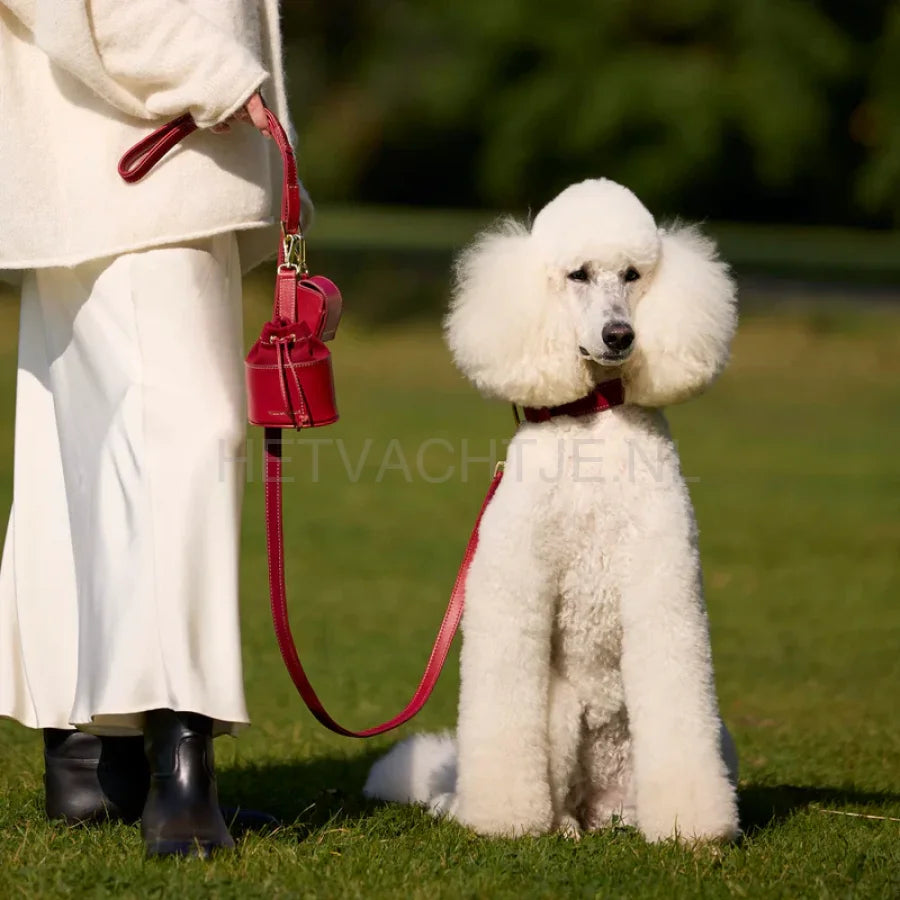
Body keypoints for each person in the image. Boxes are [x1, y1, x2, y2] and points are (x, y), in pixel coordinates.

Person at [0, 0, 305, 857]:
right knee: (193, 439)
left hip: (124, 154)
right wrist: (215, 74)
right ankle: (181, 770)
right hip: (148, 149)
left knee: (84, 455)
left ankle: (92, 761)